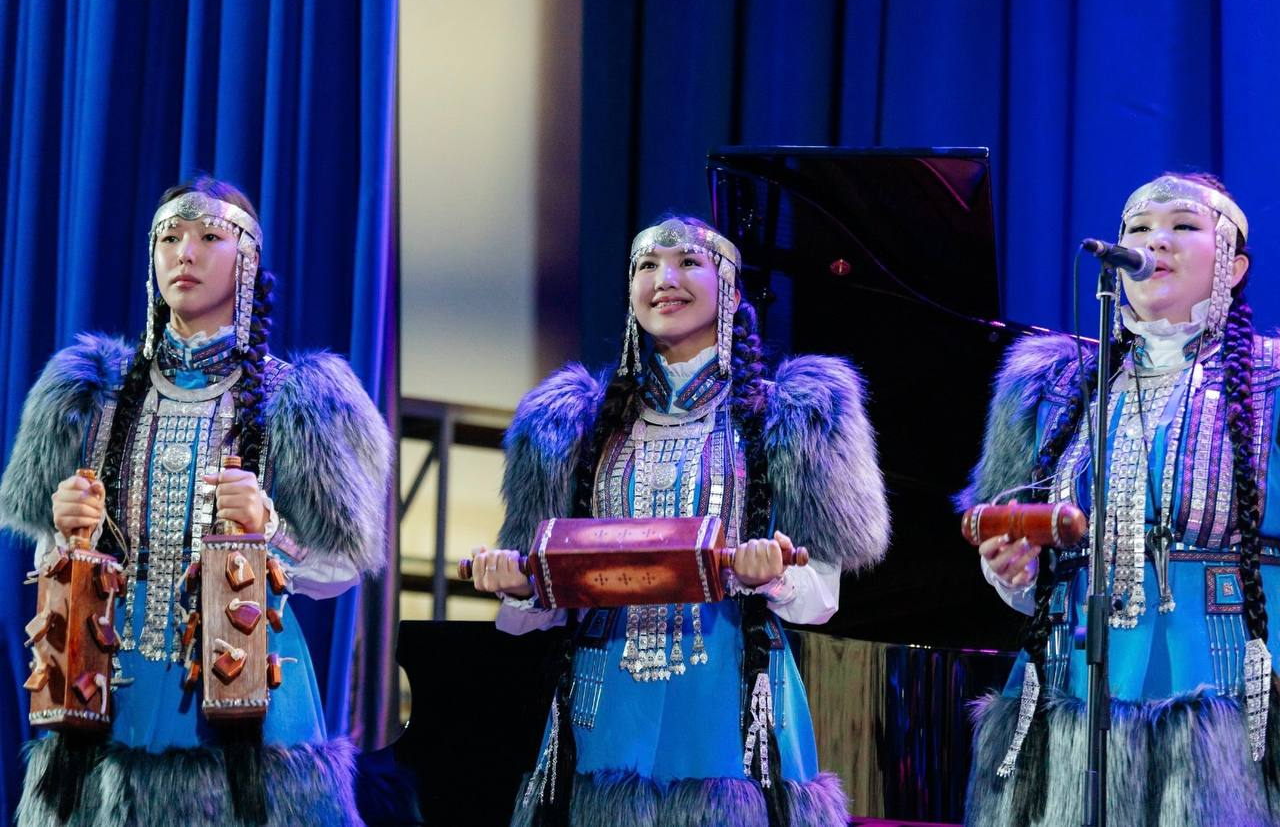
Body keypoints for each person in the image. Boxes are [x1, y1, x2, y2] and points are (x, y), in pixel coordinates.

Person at [471, 216, 890, 826]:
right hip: (605, 698)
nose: (665, 279)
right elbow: (539, 610)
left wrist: (771, 576)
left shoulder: (794, 416)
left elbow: (821, 600)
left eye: (688, 262)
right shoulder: (572, 425)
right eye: (647, 266)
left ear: (732, 290)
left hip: (731, 696)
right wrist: (522, 587)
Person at [0, 177, 391, 826]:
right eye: (169, 238)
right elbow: (53, 564)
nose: (185, 252)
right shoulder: (91, 396)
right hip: (110, 687)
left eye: (210, 236)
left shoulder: (299, 399)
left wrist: (268, 526)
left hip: (248, 693)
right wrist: (64, 531)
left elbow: (343, 567)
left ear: (248, 260)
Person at [961, 173, 1280, 825]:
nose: (1154, 242)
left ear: (1233, 265)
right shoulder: (1055, 390)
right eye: (1138, 229)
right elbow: (1025, 554)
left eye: (1182, 226)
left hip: (1226, 688)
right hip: (1074, 686)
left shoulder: (1270, 379)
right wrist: (1013, 573)